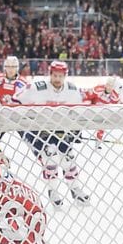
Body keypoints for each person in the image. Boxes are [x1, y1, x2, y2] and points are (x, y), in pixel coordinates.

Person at [12, 60, 89, 207]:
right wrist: (27, 121)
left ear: (65, 76)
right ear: (50, 74)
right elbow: (16, 99)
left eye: (61, 76)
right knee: (50, 158)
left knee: (68, 159)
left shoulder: (72, 90)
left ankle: (75, 188)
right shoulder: (36, 88)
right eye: (55, 75)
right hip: (39, 131)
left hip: (61, 131)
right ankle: (53, 191)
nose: (57, 79)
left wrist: (76, 130)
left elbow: (80, 110)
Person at [83, 75, 123, 147]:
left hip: (102, 113)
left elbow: (115, 109)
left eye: (111, 85)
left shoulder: (115, 97)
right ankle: (77, 134)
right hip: (92, 109)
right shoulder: (98, 89)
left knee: (103, 124)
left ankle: (98, 142)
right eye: (108, 84)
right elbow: (86, 97)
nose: (109, 87)